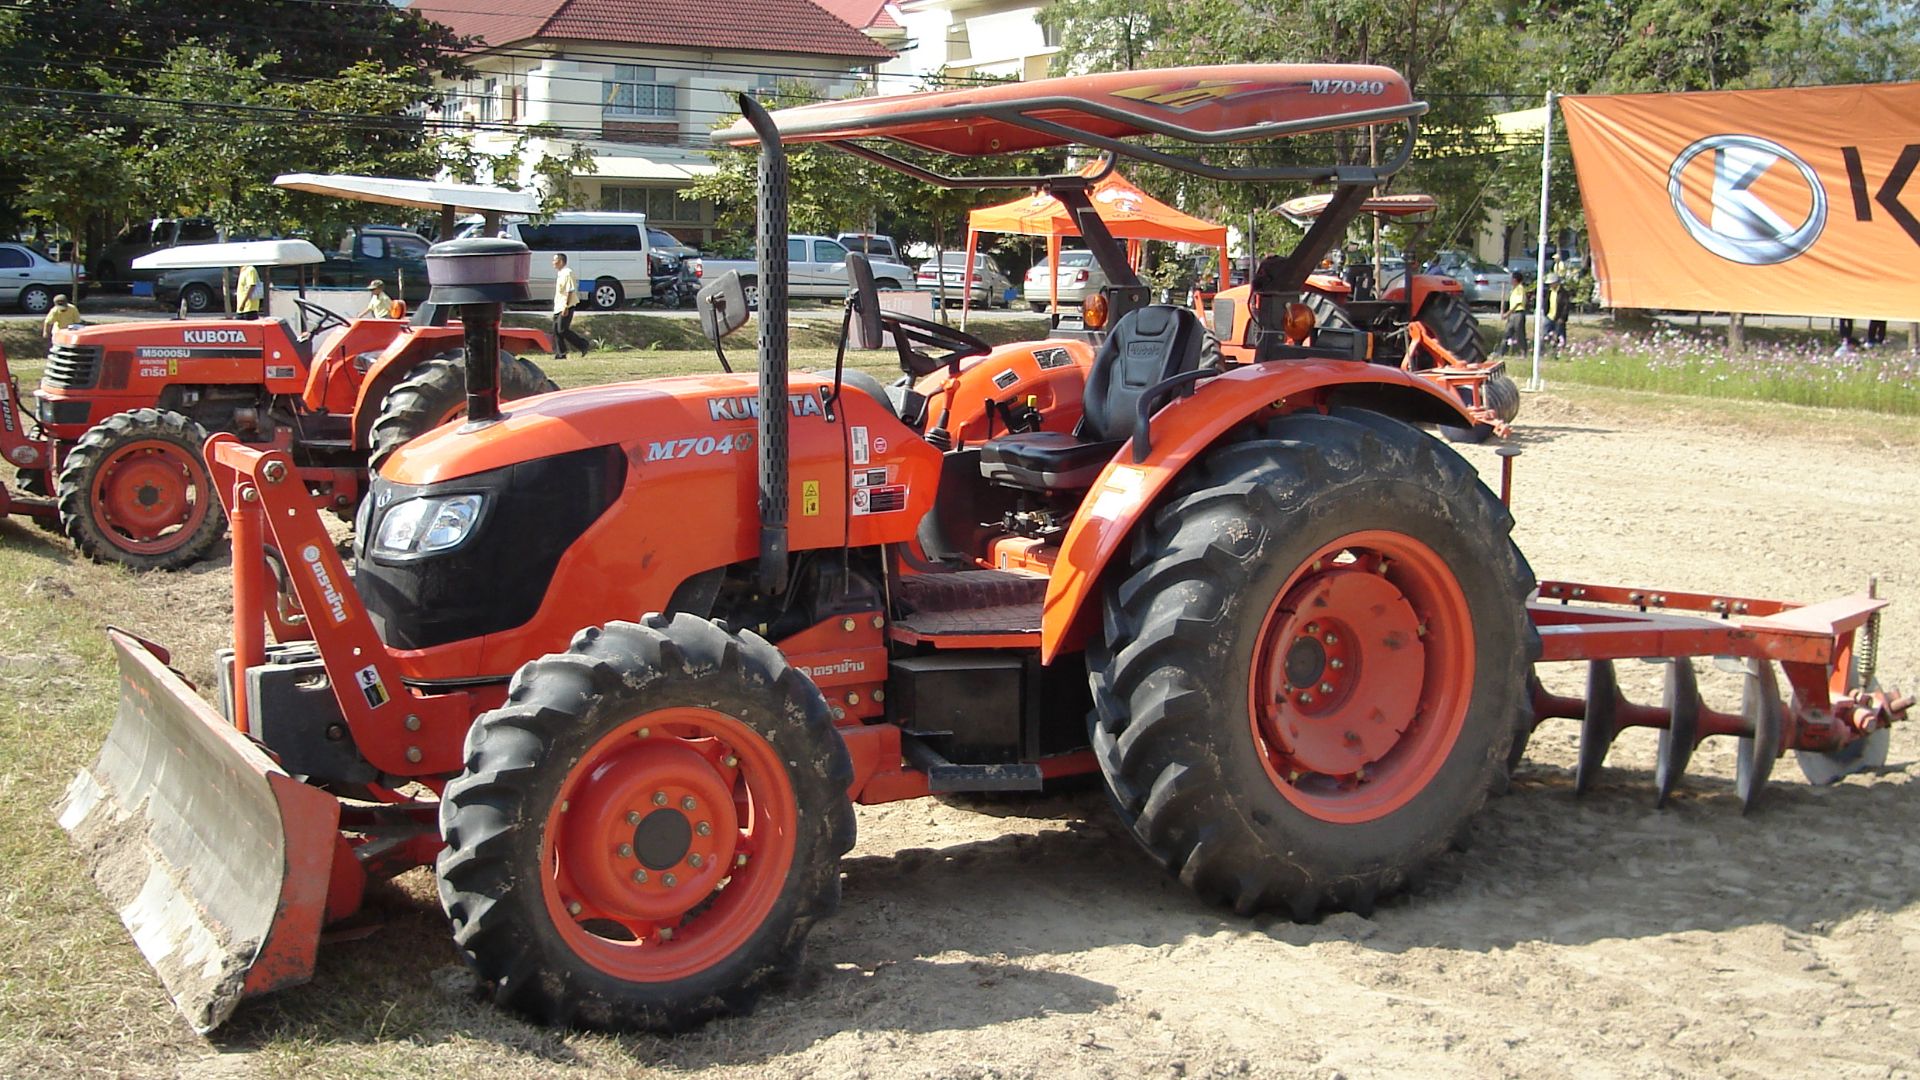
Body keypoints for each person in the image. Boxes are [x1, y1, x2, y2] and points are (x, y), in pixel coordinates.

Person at [551, 253, 589, 359]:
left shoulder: (568, 273)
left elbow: (570, 290)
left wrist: (566, 307)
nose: (553, 262)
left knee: (562, 329)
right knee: (556, 330)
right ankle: (561, 353)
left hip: (566, 306)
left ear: (561, 261)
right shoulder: (560, 273)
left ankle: (583, 344)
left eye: (555, 260)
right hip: (558, 306)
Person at [1500, 272, 1528, 355]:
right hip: (1512, 315)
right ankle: (1501, 352)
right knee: (1507, 333)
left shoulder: (1520, 289)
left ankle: (1523, 353)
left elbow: (1517, 303)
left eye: (1511, 279)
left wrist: (1507, 313)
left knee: (1520, 334)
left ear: (1515, 280)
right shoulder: (1514, 290)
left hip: (1518, 314)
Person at [1544, 273, 1568, 346]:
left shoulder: (1563, 293)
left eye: (1551, 283)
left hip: (1559, 318)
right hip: (1549, 316)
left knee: (1559, 335)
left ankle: (1560, 349)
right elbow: (1546, 302)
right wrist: (1546, 312)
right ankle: (1547, 348)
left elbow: (1566, 306)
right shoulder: (1549, 291)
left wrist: (1562, 317)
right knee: (1547, 334)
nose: (1550, 285)